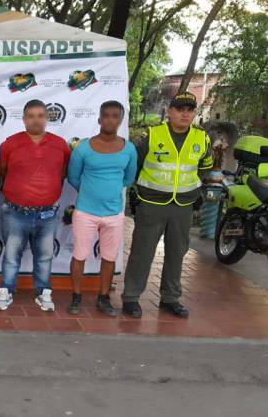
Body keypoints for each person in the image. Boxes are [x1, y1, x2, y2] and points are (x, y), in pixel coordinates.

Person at [122, 92, 212, 318]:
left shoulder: (202, 139)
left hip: (183, 205)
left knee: (176, 253)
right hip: (152, 203)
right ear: (169, 111)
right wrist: (136, 193)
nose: (185, 114)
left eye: (190, 110)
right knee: (142, 253)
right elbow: (134, 166)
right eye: (180, 109)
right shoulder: (151, 135)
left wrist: (195, 190)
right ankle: (131, 298)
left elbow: (205, 167)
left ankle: (170, 298)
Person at [0, 100, 70, 312]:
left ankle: (43, 292)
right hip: (15, 212)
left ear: (47, 118)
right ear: (24, 119)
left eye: (40, 115)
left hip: (47, 214)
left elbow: (62, 173)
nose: (35, 120)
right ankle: (6, 291)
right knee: (11, 255)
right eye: (31, 116)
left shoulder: (60, 144)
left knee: (44, 256)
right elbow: (3, 170)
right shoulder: (10, 144)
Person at [66, 100, 137, 316]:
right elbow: (73, 177)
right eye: (106, 115)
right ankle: (77, 296)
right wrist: (90, 192)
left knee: (109, 257)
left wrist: (108, 192)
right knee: (79, 255)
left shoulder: (129, 149)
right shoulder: (83, 148)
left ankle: (103, 297)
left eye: (115, 116)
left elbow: (128, 178)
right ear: (99, 119)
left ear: (121, 120)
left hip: (114, 213)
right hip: (85, 212)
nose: (110, 119)